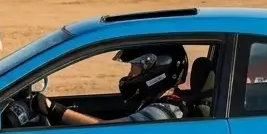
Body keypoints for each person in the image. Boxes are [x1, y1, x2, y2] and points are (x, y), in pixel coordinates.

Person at [32, 45, 191, 125]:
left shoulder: (163, 113)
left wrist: (53, 109)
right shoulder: (156, 103)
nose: (130, 74)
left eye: (134, 67)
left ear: (157, 72)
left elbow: (108, 131)